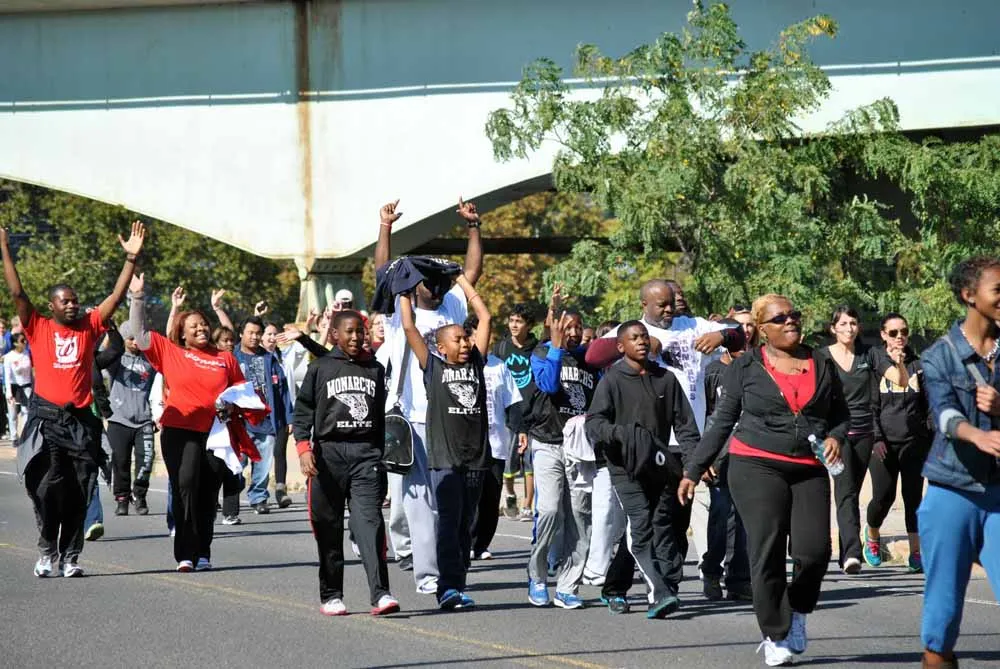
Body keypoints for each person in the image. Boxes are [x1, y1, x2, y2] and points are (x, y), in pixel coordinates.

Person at [679, 294, 847, 667]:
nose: (790, 321)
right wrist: (693, 469)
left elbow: (841, 414)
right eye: (780, 318)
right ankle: (774, 633)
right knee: (767, 550)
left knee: (815, 552)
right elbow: (723, 420)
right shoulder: (747, 366)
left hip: (809, 466)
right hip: (755, 464)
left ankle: (798, 610)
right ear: (762, 329)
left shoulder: (821, 362)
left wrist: (836, 436)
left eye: (794, 315)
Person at [7, 221, 145, 578]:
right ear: (51, 306)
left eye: (74, 300)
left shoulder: (89, 325)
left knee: (79, 491)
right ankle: (46, 551)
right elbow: (18, 293)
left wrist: (130, 259)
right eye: (64, 301)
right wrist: (4, 247)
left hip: (82, 422)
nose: (72, 305)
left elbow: (115, 298)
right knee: (46, 489)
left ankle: (70, 556)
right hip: (47, 421)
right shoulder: (38, 326)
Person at [373, 197, 483, 594]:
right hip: (414, 417)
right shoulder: (399, 308)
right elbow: (383, 271)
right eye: (428, 281)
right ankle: (428, 574)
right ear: (413, 284)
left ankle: (450, 563)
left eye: (440, 281)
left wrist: (473, 227)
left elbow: (471, 273)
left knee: (450, 499)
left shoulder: (451, 303)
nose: (435, 287)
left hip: (452, 420)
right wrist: (385, 227)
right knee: (417, 501)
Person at [128, 272, 246, 572]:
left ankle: (203, 551)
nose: (201, 328)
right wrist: (138, 297)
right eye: (194, 326)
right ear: (182, 334)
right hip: (180, 431)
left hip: (216, 433)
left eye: (204, 324)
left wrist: (231, 407)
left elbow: (241, 391)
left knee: (208, 492)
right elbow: (140, 333)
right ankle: (185, 553)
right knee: (186, 487)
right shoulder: (171, 352)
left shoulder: (225, 358)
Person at [585, 321, 701, 617]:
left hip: (658, 464)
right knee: (640, 524)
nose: (641, 341)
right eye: (634, 338)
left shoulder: (666, 379)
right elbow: (594, 423)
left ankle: (615, 588)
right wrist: (621, 434)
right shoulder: (612, 380)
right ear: (620, 346)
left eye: (645, 336)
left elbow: (686, 426)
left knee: (655, 526)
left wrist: (693, 465)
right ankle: (659, 592)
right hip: (623, 467)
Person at [917, 257, 1000, 669]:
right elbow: (945, 414)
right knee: (942, 619)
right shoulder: (939, 355)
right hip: (953, 491)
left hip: (999, 494)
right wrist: (977, 435)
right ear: (970, 295)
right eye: (998, 290)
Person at [293, 310, 399, 617]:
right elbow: (303, 411)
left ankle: (381, 593)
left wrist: (382, 456)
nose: (355, 337)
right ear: (335, 335)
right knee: (328, 527)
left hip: (365, 455)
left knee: (370, 523)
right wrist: (303, 448)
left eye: (359, 332)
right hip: (328, 456)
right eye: (349, 332)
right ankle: (332, 595)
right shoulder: (320, 368)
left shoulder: (375, 369)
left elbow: (381, 417)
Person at [399, 273, 491, 610]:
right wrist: (404, 289)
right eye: (457, 340)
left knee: (466, 523)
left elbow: (485, 317)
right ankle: (447, 587)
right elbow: (409, 327)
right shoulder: (433, 368)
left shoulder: (477, 363)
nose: (465, 344)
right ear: (441, 348)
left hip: (476, 458)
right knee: (449, 522)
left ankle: (457, 581)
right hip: (445, 459)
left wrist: (461, 280)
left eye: (466, 338)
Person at [526, 310, 599, 610]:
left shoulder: (590, 360)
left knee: (580, 517)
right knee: (549, 510)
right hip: (547, 442)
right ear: (556, 328)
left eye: (578, 327)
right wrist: (556, 346)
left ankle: (568, 586)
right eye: (568, 327)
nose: (574, 332)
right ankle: (538, 576)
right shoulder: (542, 352)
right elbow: (547, 385)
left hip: (580, 448)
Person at [864, 312, 929, 573]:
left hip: (914, 443)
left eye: (903, 331)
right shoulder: (876, 363)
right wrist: (877, 438)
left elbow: (928, 406)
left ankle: (916, 552)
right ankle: (872, 536)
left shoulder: (918, 365)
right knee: (883, 497)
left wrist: (930, 438)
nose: (899, 337)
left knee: (913, 498)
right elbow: (870, 406)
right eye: (893, 333)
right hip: (883, 445)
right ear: (883, 335)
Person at [820, 305, 877, 575]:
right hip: (836, 436)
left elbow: (885, 382)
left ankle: (847, 551)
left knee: (853, 490)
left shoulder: (868, 354)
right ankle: (853, 553)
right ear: (833, 328)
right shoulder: (822, 357)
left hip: (864, 433)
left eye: (853, 323)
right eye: (843, 324)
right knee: (845, 491)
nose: (849, 328)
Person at [698, 318, 752, 602]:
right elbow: (703, 415)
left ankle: (738, 579)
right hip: (719, 457)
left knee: (744, 520)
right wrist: (703, 457)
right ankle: (711, 571)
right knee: (721, 516)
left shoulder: (754, 369)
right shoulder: (712, 373)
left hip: (749, 455)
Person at [471, 314, 522, 560]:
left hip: (496, 444)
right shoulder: (460, 366)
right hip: (468, 445)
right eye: (476, 335)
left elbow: (513, 403)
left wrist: (520, 431)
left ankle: (481, 545)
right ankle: (466, 541)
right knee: (470, 496)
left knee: (491, 497)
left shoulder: (499, 366)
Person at [231, 316, 293, 515]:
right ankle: (233, 491)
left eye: (258, 333)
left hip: (266, 422)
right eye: (251, 332)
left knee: (263, 463)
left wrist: (288, 418)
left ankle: (259, 497)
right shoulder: (232, 357)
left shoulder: (269, 358)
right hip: (239, 423)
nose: (255, 337)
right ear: (241, 334)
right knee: (237, 463)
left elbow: (283, 389)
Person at [105, 320, 157, 516]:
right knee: (120, 462)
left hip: (144, 420)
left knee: (146, 460)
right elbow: (100, 356)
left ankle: (140, 495)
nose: (135, 342)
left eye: (138, 338)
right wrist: (109, 333)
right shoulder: (116, 359)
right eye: (130, 338)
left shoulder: (151, 360)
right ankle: (122, 498)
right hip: (119, 419)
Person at [492, 303, 538, 520]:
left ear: (529, 325)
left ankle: (527, 505)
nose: (514, 325)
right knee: (508, 463)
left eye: (519, 321)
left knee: (531, 463)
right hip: (508, 414)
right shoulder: (501, 348)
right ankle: (510, 494)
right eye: (511, 320)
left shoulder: (537, 348)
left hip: (533, 413)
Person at [4, 331, 32, 437]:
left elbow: (30, 371)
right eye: (22, 341)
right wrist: (8, 391)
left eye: (25, 340)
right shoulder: (9, 357)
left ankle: (24, 435)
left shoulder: (27, 353)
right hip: (14, 386)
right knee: (13, 414)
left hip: (26, 386)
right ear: (15, 343)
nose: (25, 342)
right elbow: (7, 375)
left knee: (26, 411)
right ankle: (14, 436)